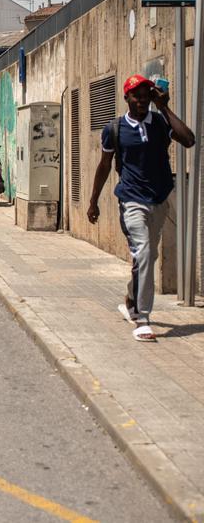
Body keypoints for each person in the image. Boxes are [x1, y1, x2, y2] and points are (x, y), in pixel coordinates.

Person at [87, 74, 195, 342]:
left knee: (148, 256)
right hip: (131, 199)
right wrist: (93, 201)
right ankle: (142, 317)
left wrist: (165, 107)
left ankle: (132, 297)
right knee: (144, 252)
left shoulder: (159, 122)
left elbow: (189, 139)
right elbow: (104, 167)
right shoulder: (114, 129)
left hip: (159, 199)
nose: (142, 99)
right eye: (136, 95)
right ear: (126, 98)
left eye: (146, 94)